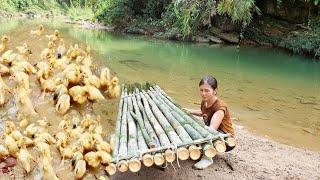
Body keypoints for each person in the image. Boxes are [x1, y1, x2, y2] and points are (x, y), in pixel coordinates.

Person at [183, 75, 235, 169]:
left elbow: (211, 130)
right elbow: (204, 113)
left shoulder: (219, 107)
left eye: (207, 90)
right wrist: (189, 111)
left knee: (195, 131)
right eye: (201, 90)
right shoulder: (205, 101)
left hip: (225, 139)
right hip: (213, 132)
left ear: (214, 91)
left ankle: (207, 158)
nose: (203, 93)